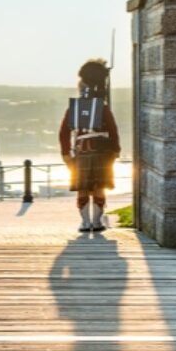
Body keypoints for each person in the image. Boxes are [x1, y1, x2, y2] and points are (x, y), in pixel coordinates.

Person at [59, 58, 121, 232]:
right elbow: (113, 130)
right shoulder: (104, 108)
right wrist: (115, 150)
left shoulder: (74, 108)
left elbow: (64, 132)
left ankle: (86, 223)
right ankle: (97, 222)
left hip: (82, 151)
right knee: (99, 187)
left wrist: (65, 153)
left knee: (83, 188)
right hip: (102, 151)